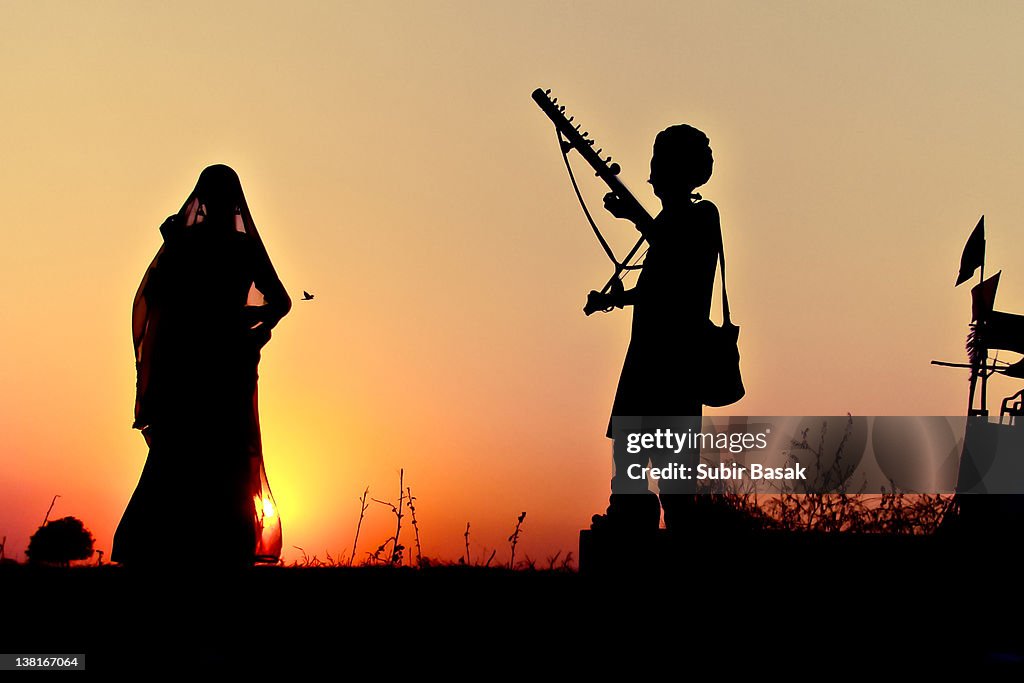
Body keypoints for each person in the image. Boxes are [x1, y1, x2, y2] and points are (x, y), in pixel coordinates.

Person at [112, 164, 292, 567]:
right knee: (209, 446)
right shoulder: (235, 247)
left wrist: (174, 246)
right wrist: (246, 327)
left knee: (197, 448)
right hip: (216, 361)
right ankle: (217, 543)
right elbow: (280, 303)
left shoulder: (189, 243)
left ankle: (180, 542)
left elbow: (156, 298)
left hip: (200, 362)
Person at [588, 124, 721, 533]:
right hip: (648, 359)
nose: (652, 171)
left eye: (659, 161)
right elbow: (660, 288)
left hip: (674, 366)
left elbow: (679, 262)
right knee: (629, 459)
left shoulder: (701, 216)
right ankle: (629, 519)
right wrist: (614, 299)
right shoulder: (669, 224)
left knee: (676, 483)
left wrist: (633, 217)